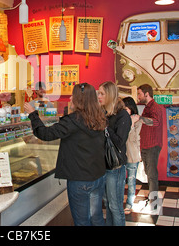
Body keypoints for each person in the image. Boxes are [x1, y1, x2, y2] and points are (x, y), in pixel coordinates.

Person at [24, 83, 107, 226]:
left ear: (79, 99)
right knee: (96, 216)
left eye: (73, 95)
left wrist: (33, 114)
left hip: (80, 179)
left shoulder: (73, 120)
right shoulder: (100, 117)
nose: (70, 98)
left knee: (82, 221)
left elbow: (45, 134)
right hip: (98, 176)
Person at [98, 81, 131, 226]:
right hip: (102, 165)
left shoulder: (122, 115)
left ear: (110, 95)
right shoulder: (103, 113)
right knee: (107, 204)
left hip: (115, 167)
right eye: (98, 93)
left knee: (115, 206)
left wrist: (105, 125)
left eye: (102, 93)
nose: (99, 96)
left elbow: (120, 141)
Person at [137, 83, 163, 208]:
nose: (138, 97)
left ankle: (154, 202)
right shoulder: (147, 107)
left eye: (139, 94)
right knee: (148, 172)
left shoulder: (155, 107)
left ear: (146, 94)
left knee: (152, 174)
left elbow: (156, 122)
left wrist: (139, 118)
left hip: (152, 145)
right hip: (146, 145)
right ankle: (153, 197)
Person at [122, 96, 142, 215]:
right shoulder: (122, 120)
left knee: (131, 181)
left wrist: (131, 124)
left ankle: (129, 204)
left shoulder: (138, 121)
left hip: (133, 155)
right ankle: (119, 203)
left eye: (126, 108)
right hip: (122, 155)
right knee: (120, 181)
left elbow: (134, 138)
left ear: (131, 108)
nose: (124, 111)